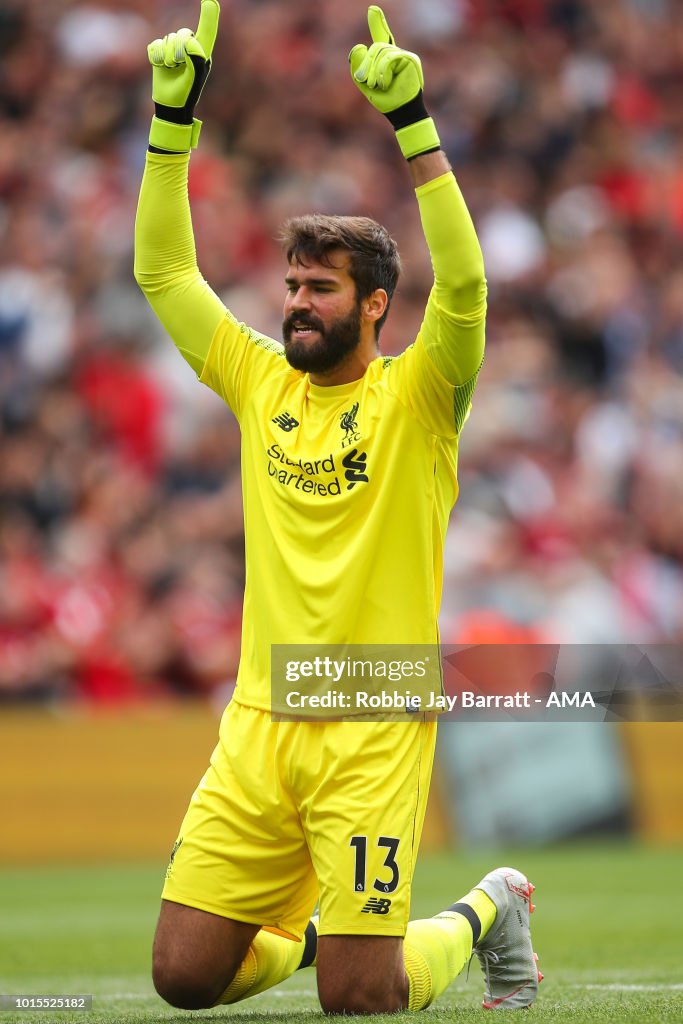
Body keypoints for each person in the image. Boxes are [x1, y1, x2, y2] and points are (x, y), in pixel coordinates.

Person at [134, 1, 542, 1013]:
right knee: (183, 977)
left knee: (362, 999)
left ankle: (486, 908)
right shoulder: (257, 379)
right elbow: (163, 271)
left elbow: (467, 290)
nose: (293, 302)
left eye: (318, 287)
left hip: (370, 717)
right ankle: (317, 934)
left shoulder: (417, 397)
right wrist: (170, 121)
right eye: (289, 284)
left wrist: (415, 129)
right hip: (259, 720)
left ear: (371, 304)